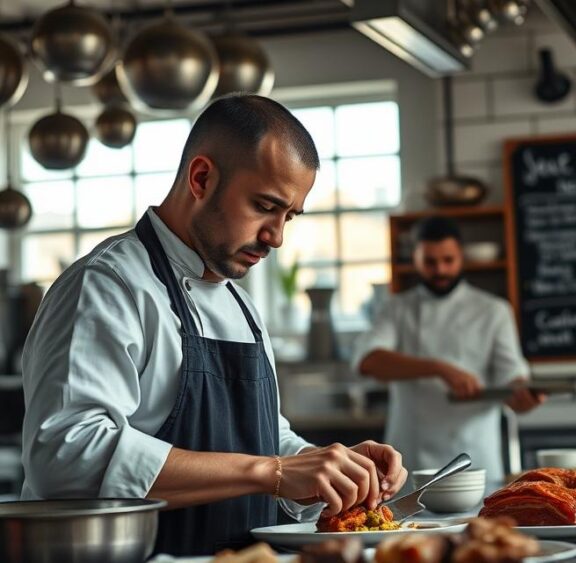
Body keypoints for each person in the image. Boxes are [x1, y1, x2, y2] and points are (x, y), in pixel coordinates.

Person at [20, 95, 407, 556]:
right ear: (201, 178)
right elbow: (67, 455)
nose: (277, 237)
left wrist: (321, 466)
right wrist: (272, 472)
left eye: (289, 216)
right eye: (265, 206)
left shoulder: (239, 304)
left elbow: (263, 440)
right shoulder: (107, 286)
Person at [352, 217, 545, 483]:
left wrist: (522, 397)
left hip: (474, 458)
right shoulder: (396, 309)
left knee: (480, 525)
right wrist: (439, 368)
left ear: (461, 257)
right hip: (409, 461)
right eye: (430, 262)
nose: (440, 269)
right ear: (415, 259)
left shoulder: (493, 310)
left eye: (448, 260)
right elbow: (367, 361)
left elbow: (511, 378)